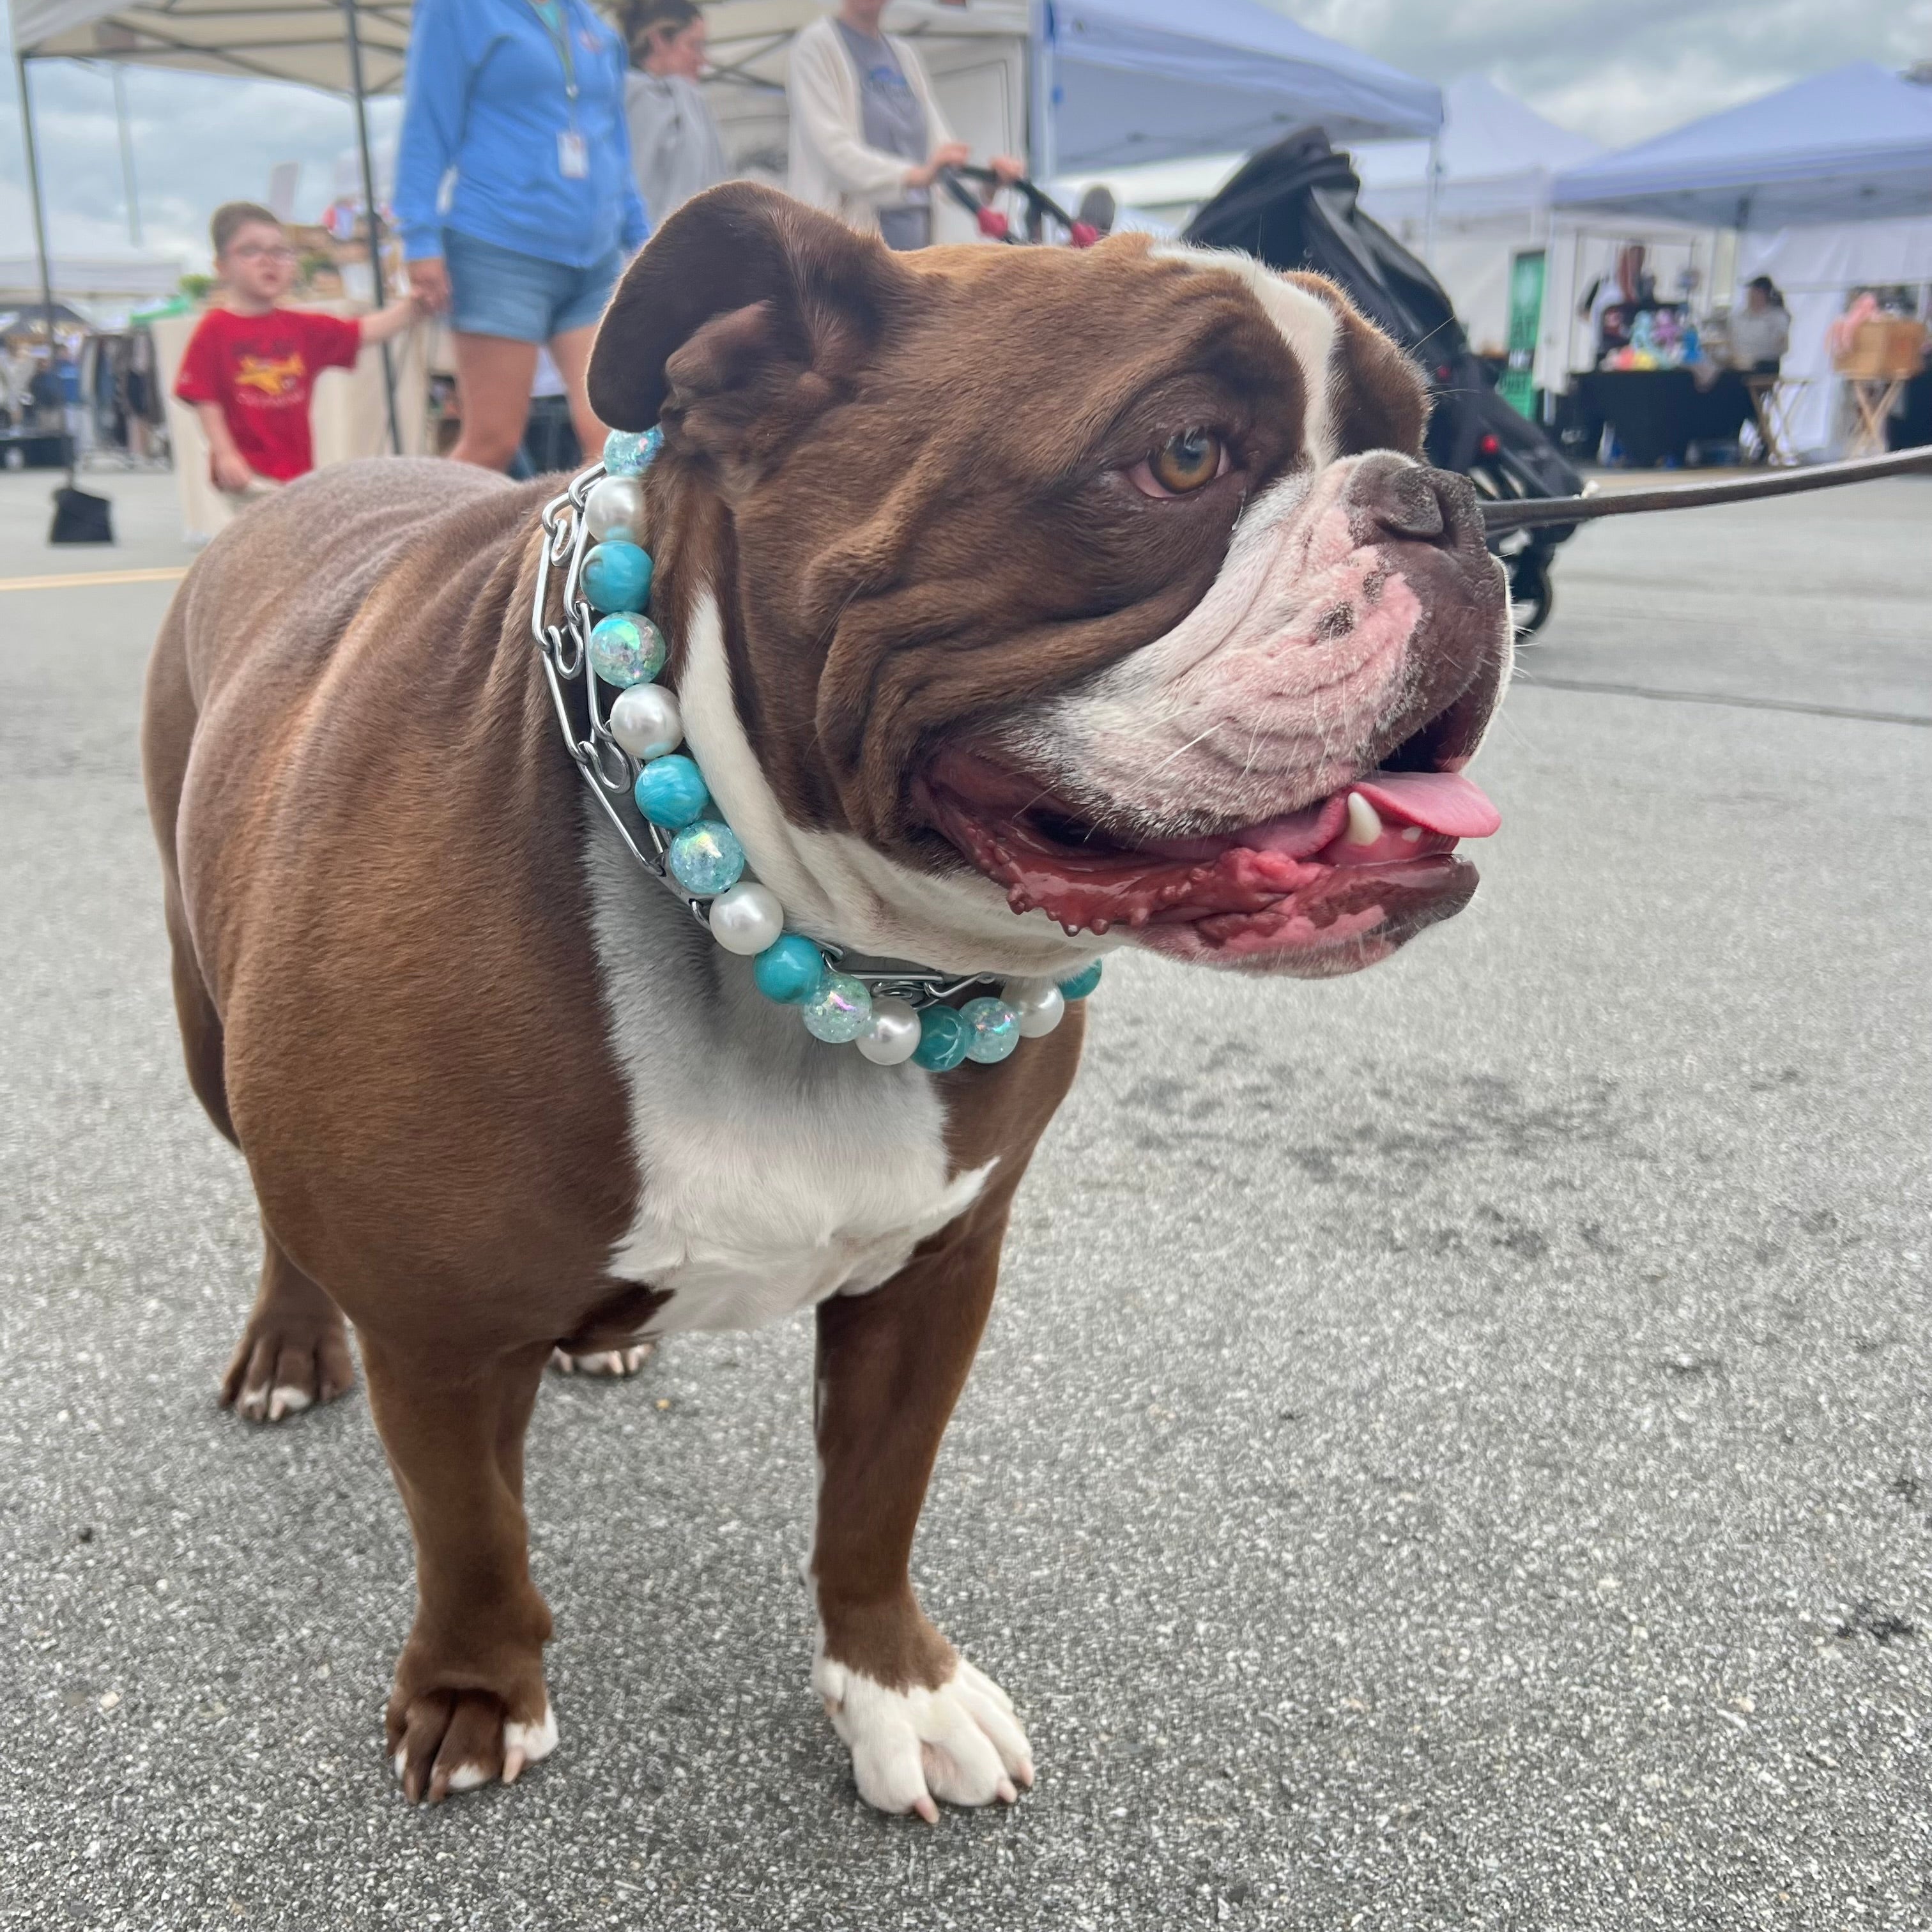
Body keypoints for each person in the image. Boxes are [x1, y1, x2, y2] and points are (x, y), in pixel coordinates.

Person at [395, 0, 648, 470]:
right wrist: (419, 238)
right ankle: (430, 544)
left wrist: (643, 238)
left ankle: (597, 545)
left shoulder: (596, 28)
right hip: (498, 250)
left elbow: (614, 144)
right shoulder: (457, 10)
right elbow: (426, 125)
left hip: (593, 261)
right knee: (494, 441)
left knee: (614, 442)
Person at [172, 201, 417, 498]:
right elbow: (203, 397)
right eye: (250, 251)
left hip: (296, 474)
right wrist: (225, 453)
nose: (268, 261)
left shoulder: (302, 328)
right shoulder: (215, 330)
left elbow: (362, 331)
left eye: (280, 252)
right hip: (248, 476)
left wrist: (412, 307)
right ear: (221, 266)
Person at [786, 0, 1022, 249]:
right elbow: (832, 153)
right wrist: (915, 176)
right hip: (846, 259)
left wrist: (988, 181)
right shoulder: (815, 46)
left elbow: (941, 157)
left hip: (914, 258)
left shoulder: (904, 54)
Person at [622, 0, 730, 225]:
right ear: (659, 40)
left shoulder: (686, 103)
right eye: (693, 45)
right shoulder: (634, 101)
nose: (703, 60)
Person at [1582, 243, 1657, 358]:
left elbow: (1651, 312)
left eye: (1640, 258)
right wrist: (1605, 323)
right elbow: (1584, 311)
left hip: (1635, 348)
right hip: (1608, 345)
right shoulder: (1603, 282)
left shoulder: (1643, 286)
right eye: (1634, 258)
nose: (1637, 263)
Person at [1729, 276, 1790, 374]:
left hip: (1764, 363)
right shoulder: (1739, 316)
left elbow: (1781, 345)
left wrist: (1752, 358)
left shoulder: (1776, 317)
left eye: (1756, 293)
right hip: (1739, 361)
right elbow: (1732, 339)